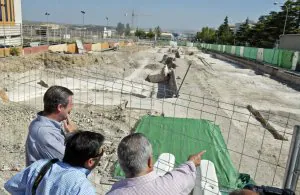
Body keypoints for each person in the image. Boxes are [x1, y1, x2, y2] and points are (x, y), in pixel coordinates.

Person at [5, 131, 105, 195]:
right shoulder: (82, 188)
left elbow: (11, 186)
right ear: (90, 162)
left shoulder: (41, 165)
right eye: (101, 153)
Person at [106, 133, 206, 195]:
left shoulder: (114, 192)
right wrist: (192, 161)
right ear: (150, 161)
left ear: (121, 165)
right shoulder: (171, 185)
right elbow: (186, 172)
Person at [25, 85, 77, 166]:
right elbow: (73, 161)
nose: (72, 107)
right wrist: (75, 135)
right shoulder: (45, 132)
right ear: (60, 107)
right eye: (71, 104)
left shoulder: (43, 123)